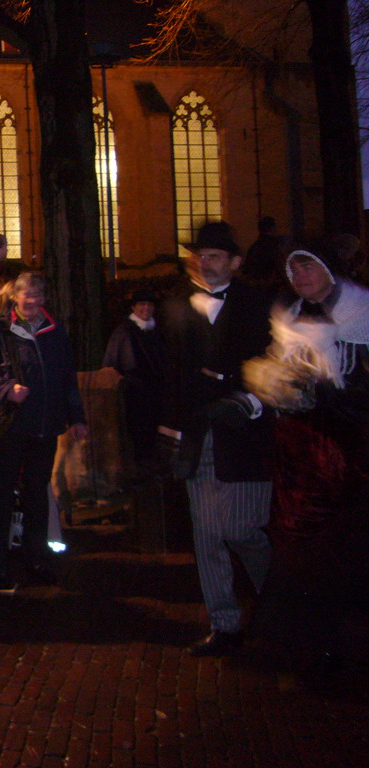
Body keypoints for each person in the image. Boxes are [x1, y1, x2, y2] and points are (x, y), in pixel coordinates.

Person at [245, 246, 369, 681]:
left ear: (329, 269)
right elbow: (279, 374)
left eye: (308, 265)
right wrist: (271, 383)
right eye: (292, 269)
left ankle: (341, 650)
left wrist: (328, 394)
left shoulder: (362, 313)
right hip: (296, 456)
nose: (300, 274)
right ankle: (306, 645)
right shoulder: (288, 319)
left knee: (340, 552)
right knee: (297, 550)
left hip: (346, 453)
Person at [160, 220, 274, 657]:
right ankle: (224, 624)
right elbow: (168, 376)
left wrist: (231, 384)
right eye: (199, 256)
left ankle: (278, 604)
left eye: (214, 257)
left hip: (243, 434)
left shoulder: (258, 303)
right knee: (206, 537)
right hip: (196, 435)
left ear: (236, 263)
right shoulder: (177, 303)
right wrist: (168, 436)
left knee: (243, 529)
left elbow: (274, 363)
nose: (204, 264)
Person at [0, 272, 87, 591]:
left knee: (37, 494)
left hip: (44, 426)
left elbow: (66, 377)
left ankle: (37, 557)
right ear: (15, 297)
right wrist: (6, 389)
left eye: (39, 296)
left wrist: (76, 417)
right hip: (9, 425)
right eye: (27, 295)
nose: (33, 301)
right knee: (0, 494)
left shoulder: (54, 331)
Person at [103, 288, 165, 473]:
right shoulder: (125, 332)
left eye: (149, 305)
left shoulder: (157, 330)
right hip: (135, 393)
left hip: (155, 392)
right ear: (134, 307)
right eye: (142, 304)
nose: (146, 308)